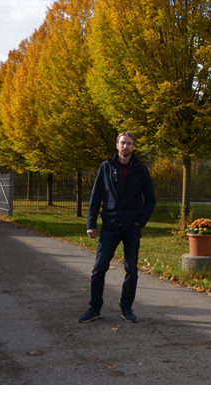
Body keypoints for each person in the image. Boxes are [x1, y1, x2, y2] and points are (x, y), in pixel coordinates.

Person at [79, 132, 156, 323]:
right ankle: (94, 308)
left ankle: (126, 308)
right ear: (117, 145)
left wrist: (140, 221)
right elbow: (96, 197)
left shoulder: (141, 170)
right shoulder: (106, 167)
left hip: (132, 227)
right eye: (123, 143)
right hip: (110, 225)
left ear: (133, 147)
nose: (126, 147)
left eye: (129, 144)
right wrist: (91, 223)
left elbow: (151, 199)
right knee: (98, 268)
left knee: (131, 270)